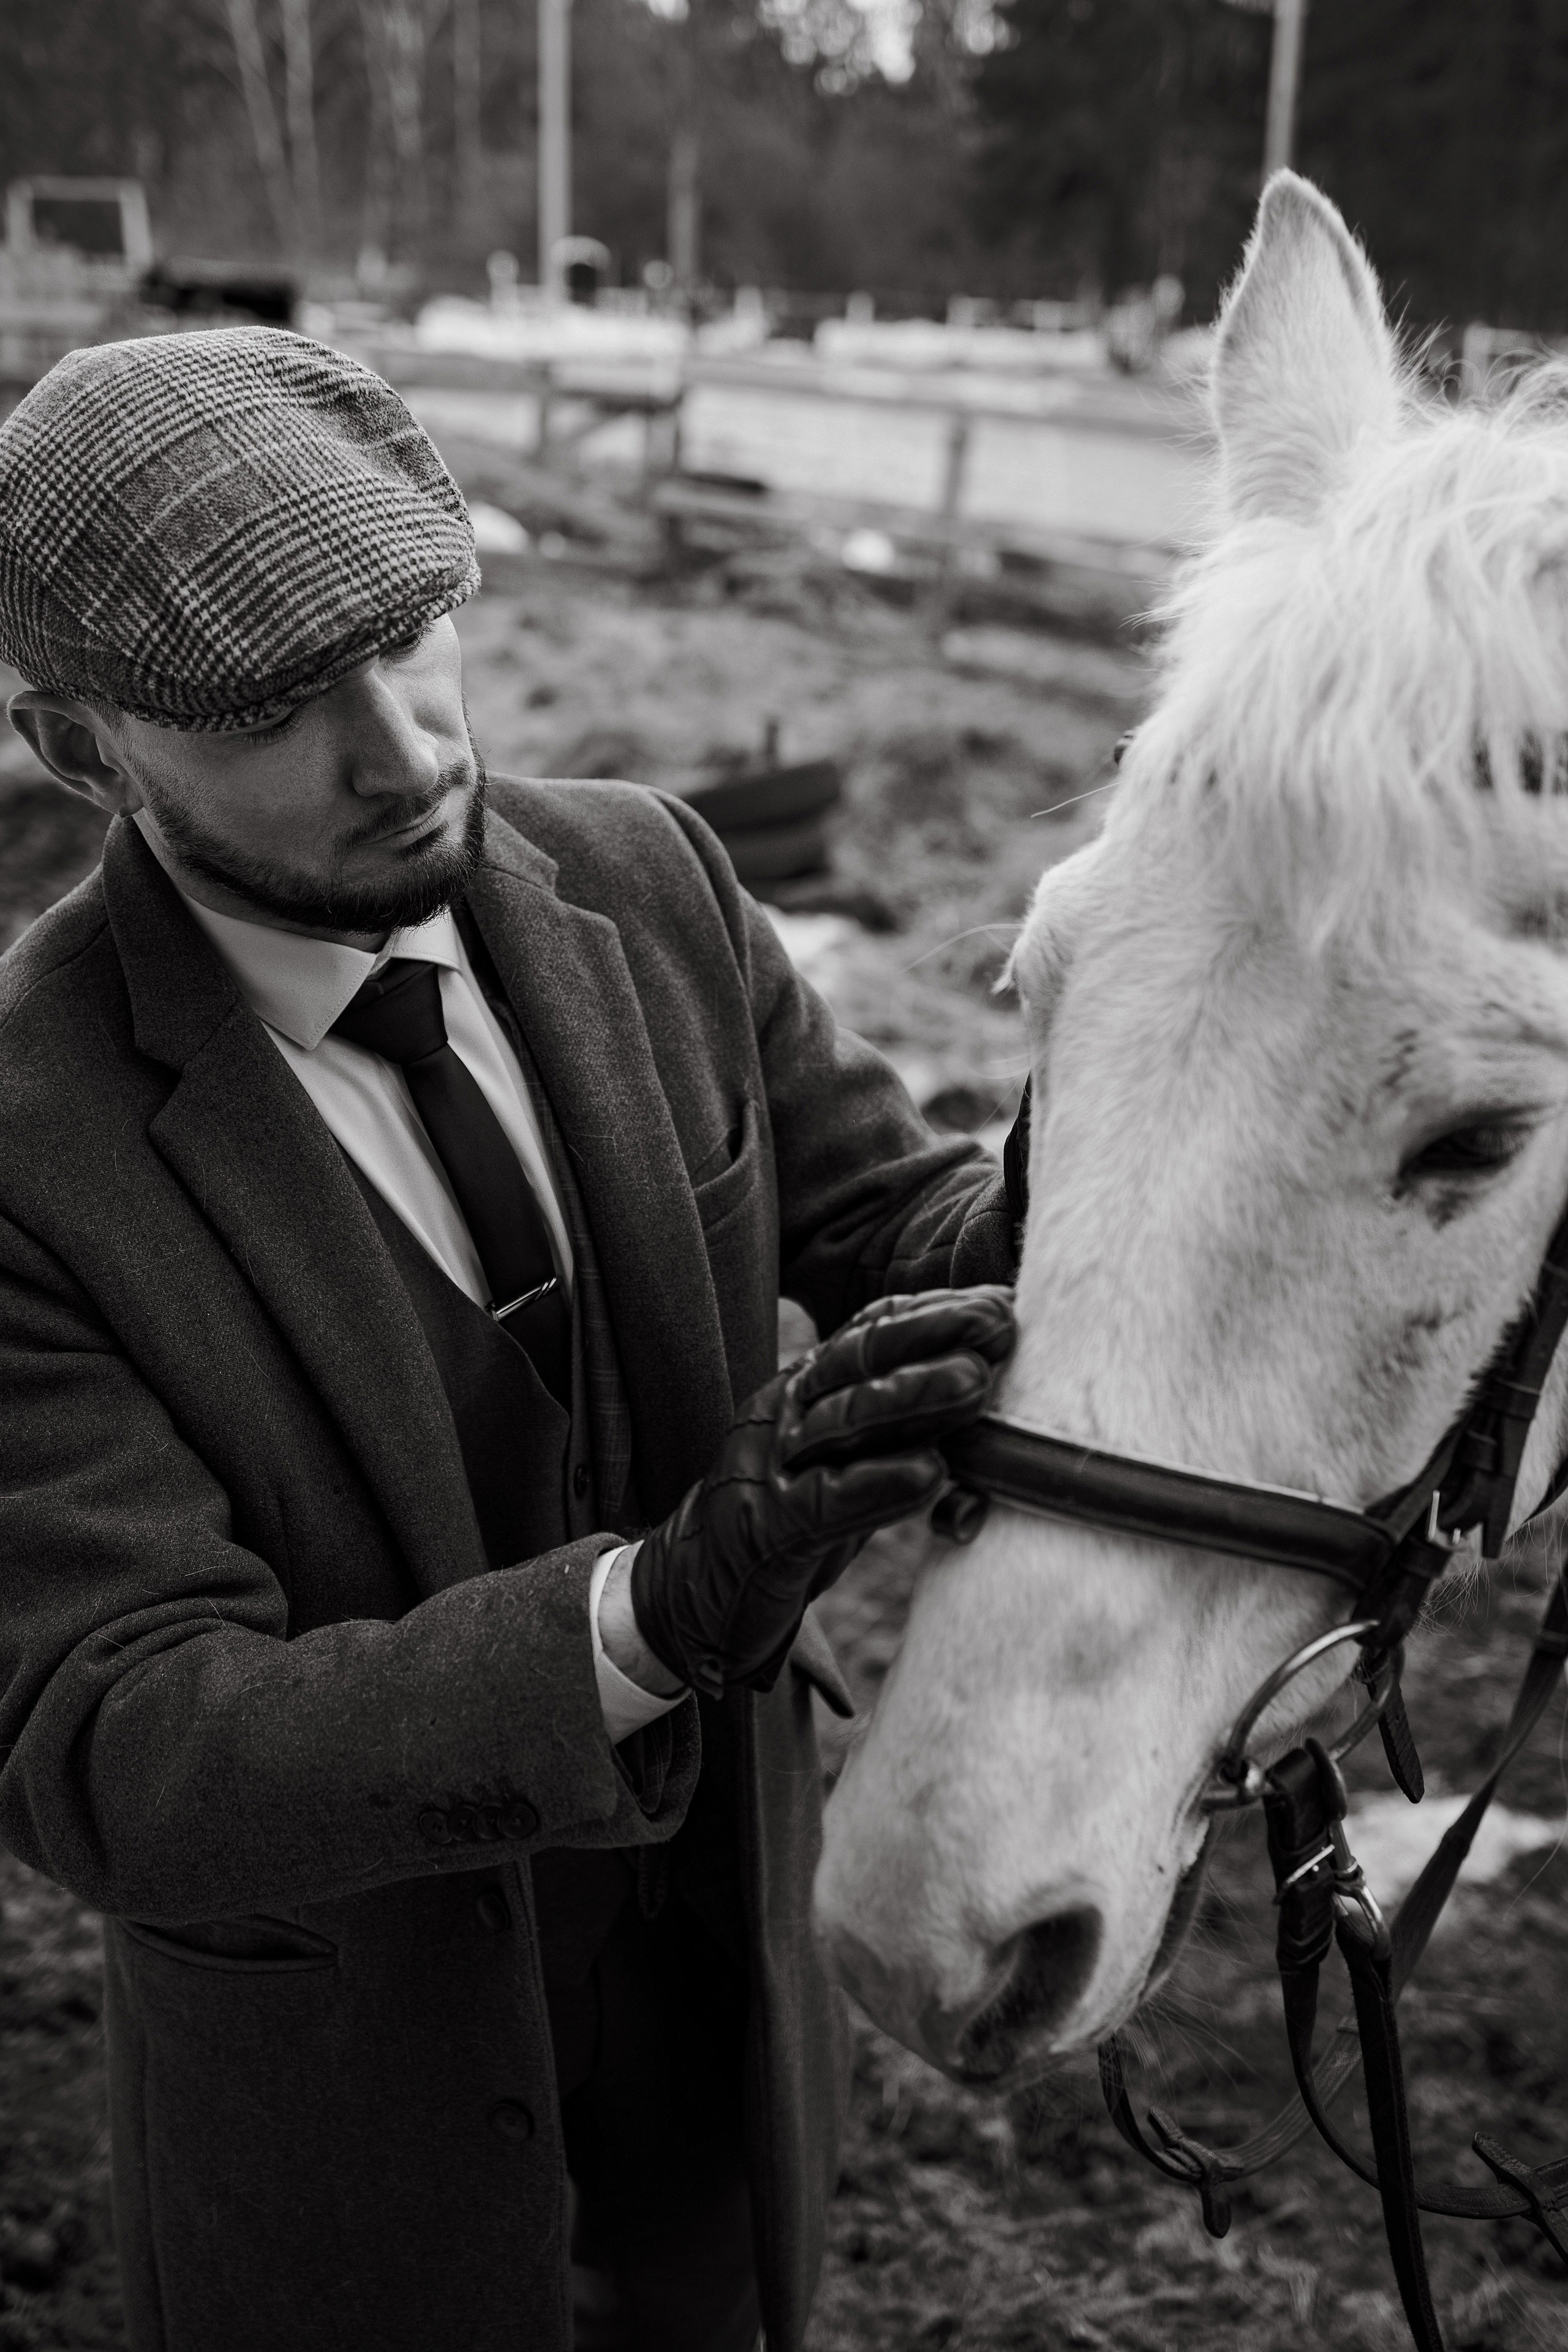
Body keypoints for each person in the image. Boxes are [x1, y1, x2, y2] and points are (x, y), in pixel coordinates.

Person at [0, 328, 1019, 2352]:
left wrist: (1163, 1101)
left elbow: (912, 1226)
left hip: (730, 1997)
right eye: (281, 706)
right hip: (356, 2135)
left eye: (419, 633)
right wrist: (647, 1612)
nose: (405, 751)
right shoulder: (30, 1150)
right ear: (76, 744)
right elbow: (122, 1751)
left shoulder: (653, 875)